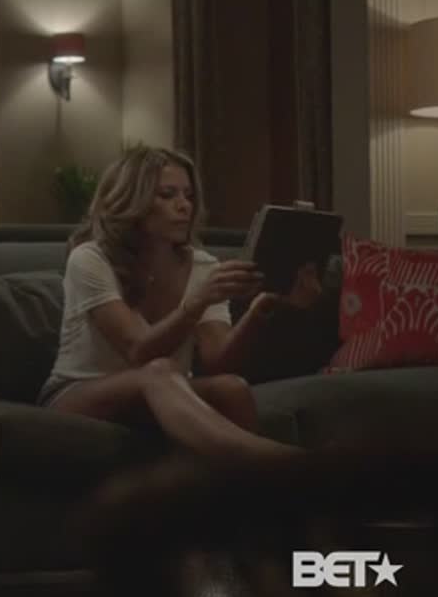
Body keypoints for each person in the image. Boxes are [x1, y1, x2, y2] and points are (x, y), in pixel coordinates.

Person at [38, 146, 313, 465]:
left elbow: (219, 361)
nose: (184, 205)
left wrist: (260, 309)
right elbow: (138, 351)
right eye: (167, 195)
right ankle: (280, 461)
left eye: (188, 195)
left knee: (231, 388)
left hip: (164, 389)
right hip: (79, 393)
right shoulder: (89, 259)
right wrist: (196, 302)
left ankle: (254, 491)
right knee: (158, 371)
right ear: (132, 201)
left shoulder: (203, 266)